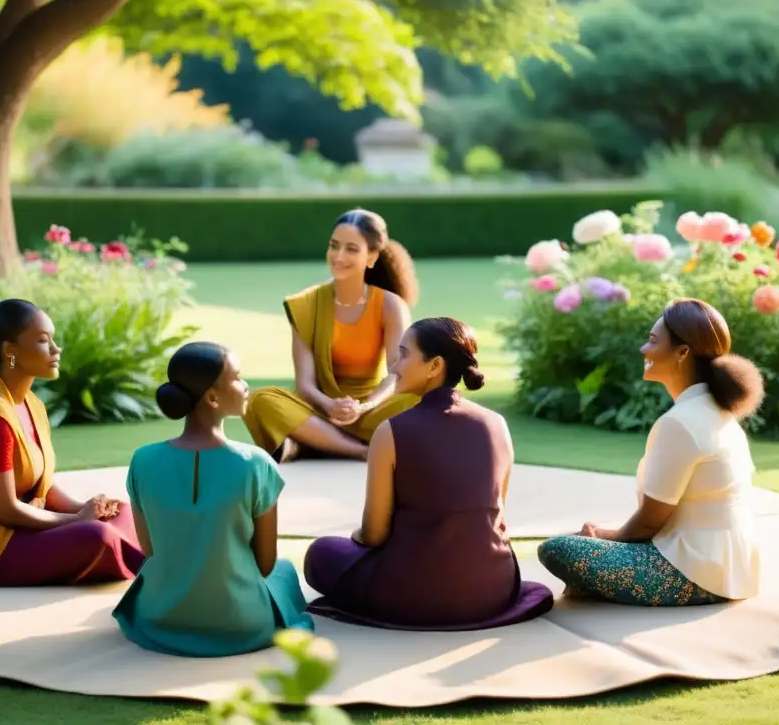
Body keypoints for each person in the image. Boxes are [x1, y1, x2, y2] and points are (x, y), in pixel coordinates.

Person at [302, 317, 554, 629]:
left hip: (412, 593)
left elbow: (374, 534)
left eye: (404, 355)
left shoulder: (390, 432)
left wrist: (355, 537)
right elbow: (498, 518)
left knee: (322, 553)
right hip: (492, 590)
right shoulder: (498, 425)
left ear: (435, 366)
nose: (394, 367)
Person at [538, 298, 765, 607]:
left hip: (694, 575)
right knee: (581, 540)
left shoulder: (680, 423)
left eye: (652, 341)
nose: (644, 350)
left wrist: (601, 538)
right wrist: (602, 536)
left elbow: (648, 523)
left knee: (559, 548)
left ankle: (595, 579)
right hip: (730, 569)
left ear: (683, 352)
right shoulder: (717, 411)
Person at [0, 299, 144, 593]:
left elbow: (40, 487)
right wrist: (76, 520)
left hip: (28, 528)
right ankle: (151, 566)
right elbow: (6, 511)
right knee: (97, 536)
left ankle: (141, 561)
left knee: (122, 512)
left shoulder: (32, 405)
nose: (56, 349)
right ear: (10, 352)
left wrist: (85, 507)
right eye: (43, 341)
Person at [112, 342, 314, 657]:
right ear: (212, 396)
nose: (246, 385)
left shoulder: (142, 460)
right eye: (237, 377)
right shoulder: (255, 463)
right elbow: (264, 565)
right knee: (285, 572)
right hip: (242, 622)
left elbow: (150, 551)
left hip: (161, 616)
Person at [242, 209, 421, 462]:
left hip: (372, 410)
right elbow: (305, 385)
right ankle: (362, 450)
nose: (338, 256)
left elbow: (397, 372)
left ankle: (311, 443)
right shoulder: (306, 304)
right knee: (261, 400)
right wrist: (329, 405)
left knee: (419, 399)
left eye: (351, 249)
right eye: (334, 246)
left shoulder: (390, 306)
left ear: (371, 257)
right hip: (319, 410)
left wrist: (366, 406)